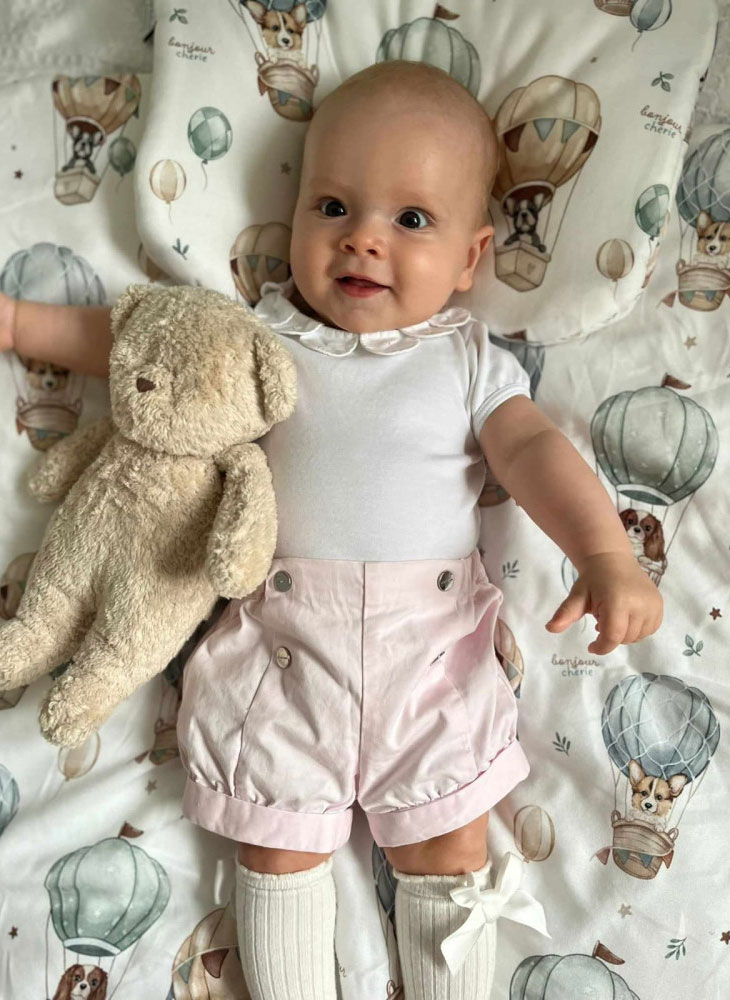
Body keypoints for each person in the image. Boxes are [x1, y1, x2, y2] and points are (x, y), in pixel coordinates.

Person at [0, 60, 662, 1000]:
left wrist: (603, 553)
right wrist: (20, 321)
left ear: (472, 257)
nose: (363, 239)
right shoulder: (259, 339)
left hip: (428, 656)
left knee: (450, 843)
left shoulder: (467, 359)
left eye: (412, 219)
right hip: (283, 645)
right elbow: (135, 345)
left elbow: (534, 453)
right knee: (273, 843)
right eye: (333, 207)